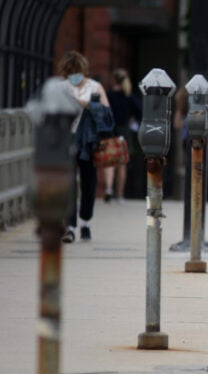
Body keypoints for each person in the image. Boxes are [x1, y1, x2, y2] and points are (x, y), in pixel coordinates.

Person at [58, 50, 113, 243]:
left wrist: (88, 105)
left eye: (76, 71)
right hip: (66, 140)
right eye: (70, 71)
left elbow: (107, 114)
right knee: (69, 184)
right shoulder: (61, 87)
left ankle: (85, 222)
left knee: (89, 185)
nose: (74, 75)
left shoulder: (95, 87)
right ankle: (70, 226)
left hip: (88, 143)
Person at [104, 68, 142, 203]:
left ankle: (108, 188)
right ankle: (120, 195)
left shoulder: (108, 94)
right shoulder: (129, 96)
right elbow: (140, 111)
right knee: (122, 164)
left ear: (113, 79)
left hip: (110, 130)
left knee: (109, 161)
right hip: (124, 131)